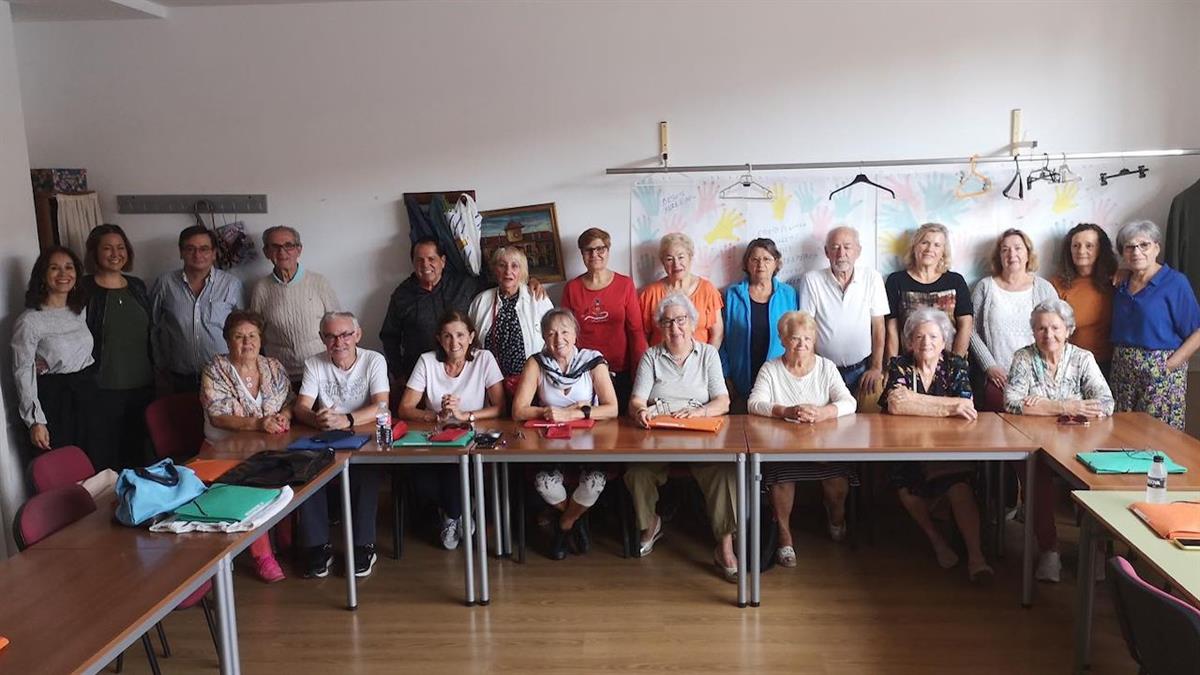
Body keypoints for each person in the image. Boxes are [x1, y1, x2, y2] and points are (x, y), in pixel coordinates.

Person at [624, 294, 738, 582]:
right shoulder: (651, 356)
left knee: (725, 473)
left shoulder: (708, 354)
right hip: (659, 436)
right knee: (637, 472)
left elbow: (722, 402)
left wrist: (700, 413)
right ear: (660, 326)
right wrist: (640, 413)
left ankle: (724, 546)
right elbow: (636, 400)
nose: (675, 327)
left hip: (700, 434)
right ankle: (651, 524)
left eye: (681, 320)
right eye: (667, 321)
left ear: (692, 322)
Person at [879, 307, 992, 582]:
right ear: (909, 342)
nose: (926, 342)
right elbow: (895, 404)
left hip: (949, 448)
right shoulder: (900, 365)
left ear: (944, 341)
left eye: (933, 336)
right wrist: (950, 406)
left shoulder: (956, 365)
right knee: (906, 489)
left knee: (960, 488)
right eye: (919, 337)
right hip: (906, 448)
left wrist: (917, 402)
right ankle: (937, 540)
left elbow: (968, 406)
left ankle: (976, 558)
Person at [1004, 299, 1114, 582]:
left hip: (1081, 442)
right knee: (1034, 477)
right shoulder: (1023, 358)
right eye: (1041, 328)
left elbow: (1105, 402)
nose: (1048, 334)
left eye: (1055, 327)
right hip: (1035, 441)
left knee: (1094, 480)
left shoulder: (1083, 359)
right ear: (1033, 332)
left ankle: (1097, 552)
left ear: (1068, 329)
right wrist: (1069, 406)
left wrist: (1041, 404)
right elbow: (1013, 404)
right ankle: (1049, 550)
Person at [746, 311, 857, 567]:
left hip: (823, 446)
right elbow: (754, 403)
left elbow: (849, 402)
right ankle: (785, 537)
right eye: (795, 338)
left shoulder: (826, 367)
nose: (802, 344)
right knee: (781, 478)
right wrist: (785, 411)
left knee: (837, 482)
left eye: (808, 338)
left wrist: (823, 413)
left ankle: (836, 518)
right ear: (783, 339)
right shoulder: (771, 369)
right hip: (784, 448)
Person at [512, 308, 620, 559]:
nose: (558, 339)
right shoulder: (536, 363)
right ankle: (576, 519)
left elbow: (612, 409)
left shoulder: (593, 361)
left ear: (575, 334)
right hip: (548, 444)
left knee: (594, 482)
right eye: (551, 334)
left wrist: (574, 413)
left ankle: (564, 525)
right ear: (543, 337)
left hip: (589, 442)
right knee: (544, 482)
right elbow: (518, 411)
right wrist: (547, 413)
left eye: (564, 332)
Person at [397, 310, 505, 550]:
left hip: (473, 436)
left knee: (457, 464)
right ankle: (460, 511)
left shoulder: (484, 359)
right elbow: (405, 408)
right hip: (434, 436)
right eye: (447, 336)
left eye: (460, 335)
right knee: (424, 480)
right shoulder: (427, 361)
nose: (454, 342)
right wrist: (436, 415)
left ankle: (452, 516)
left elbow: (500, 407)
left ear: (471, 336)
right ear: (438, 338)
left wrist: (464, 416)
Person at [292, 312, 389, 579]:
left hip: (364, 433)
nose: (339, 342)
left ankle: (363, 546)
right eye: (332, 336)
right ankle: (316, 546)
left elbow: (382, 406)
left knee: (365, 472)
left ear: (357, 335)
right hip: (326, 436)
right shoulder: (314, 363)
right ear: (323, 339)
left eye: (345, 334)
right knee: (307, 470)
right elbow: (301, 408)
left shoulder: (374, 360)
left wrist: (345, 419)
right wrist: (317, 418)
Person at [199, 310, 292, 583]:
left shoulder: (273, 366)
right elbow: (217, 415)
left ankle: (287, 540)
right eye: (239, 337)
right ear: (227, 340)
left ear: (261, 339)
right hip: (222, 450)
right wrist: (260, 423)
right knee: (251, 486)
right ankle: (262, 556)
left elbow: (290, 401)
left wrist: (284, 417)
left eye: (252, 336)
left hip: (270, 446)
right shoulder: (215, 369)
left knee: (293, 471)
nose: (247, 342)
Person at [1110, 220, 1200, 430]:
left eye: (1144, 245)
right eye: (1129, 247)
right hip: (1122, 369)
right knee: (1121, 434)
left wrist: (1169, 365)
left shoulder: (1175, 282)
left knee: (1158, 437)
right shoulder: (1121, 282)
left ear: (1156, 248)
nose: (1137, 252)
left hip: (1160, 370)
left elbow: (1197, 331)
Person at [12, 247, 100, 460]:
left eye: (69, 267)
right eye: (54, 268)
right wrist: (35, 421)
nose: (63, 274)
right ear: (42, 275)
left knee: (93, 461)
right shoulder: (29, 321)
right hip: (54, 401)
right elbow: (22, 372)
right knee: (64, 465)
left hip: (87, 393)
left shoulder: (79, 310)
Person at [80, 224, 154, 470]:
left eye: (120, 247)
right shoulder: (83, 290)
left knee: (138, 455)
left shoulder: (137, 286)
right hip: (102, 388)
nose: (115, 254)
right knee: (106, 458)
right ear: (94, 253)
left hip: (142, 387)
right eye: (107, 248)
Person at [969, 229, 1057, 409]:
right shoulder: (985, 287)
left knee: (1036, 433)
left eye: (1018, 248)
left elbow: (1058, 330)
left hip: (1037, 378)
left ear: (1028, 254)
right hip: (998, 379)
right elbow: (970, 330)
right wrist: (989, 366)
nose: (1012, 254)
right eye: (1005, 250)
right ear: (999, 256)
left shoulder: (1044, 288)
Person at [560, 227, 648, 408]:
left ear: (608, 250)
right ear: (582, 254)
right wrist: (567, 372)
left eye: (600, 249)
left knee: (622, 426)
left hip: (620, 370)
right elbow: (564, 333)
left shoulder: (625, 284)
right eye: (588, 250)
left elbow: (636, 331)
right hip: (584, 372)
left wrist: (639, 373)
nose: (595, 254)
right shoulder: (572, 288)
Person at [150, 224, 244, 393]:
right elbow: (152, 327)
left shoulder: (232, 285)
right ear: (181, 252)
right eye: (190, 249)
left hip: (223, 377)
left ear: (214, 253)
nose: (197, 254)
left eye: (204, 249)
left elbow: (245, 330)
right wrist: (159, 366)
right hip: (178, 378)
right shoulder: (165, 284)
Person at [796, 226, 888, 395]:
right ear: (826, 252)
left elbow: (879, 327)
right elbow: (807, 328)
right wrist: (813, 369)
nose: (841, 254)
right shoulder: (811, 280)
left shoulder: (872, 278)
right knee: (825, 420)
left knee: (865, 420)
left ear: (858, 251)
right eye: (835, 247)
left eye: (847, 247)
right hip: (824, 371)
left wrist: (876, 367)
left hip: (863, 371)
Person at [249, 226, 340, 384]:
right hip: (279, 375)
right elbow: (255, 332)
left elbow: (338, 326)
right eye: (275, 247)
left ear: (299, 250)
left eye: (289, 245)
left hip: (321, 370)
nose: (282, 252)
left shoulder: (319, 282)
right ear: (266, 252)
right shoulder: (261, 288)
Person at [720, 238, 798, 406]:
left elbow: (797, 336)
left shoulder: (789, 294)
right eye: (754, 259)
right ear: (747, 264)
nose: (760, 264)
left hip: (779, 381)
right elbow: (722, 340)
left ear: (776, 263)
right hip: (739, 381)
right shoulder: (732, 295)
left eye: (767, 259)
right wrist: (725, 376)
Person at [884, 222, 973, 361]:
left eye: (937, 245)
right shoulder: (896, 281)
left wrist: (956, 364)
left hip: (948, 363)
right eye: (924, 242)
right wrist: (893, 366)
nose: (930, 249)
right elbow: (892, 328)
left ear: (943, 251)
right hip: (908, 365)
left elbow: (966, 324)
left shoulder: (956, 281)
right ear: (915, 246)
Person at [467, 246, 554, 379]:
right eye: (502, 265)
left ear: (522, 271)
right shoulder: (480, 301)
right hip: (491, 381)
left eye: (515, 266)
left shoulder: (538, 298)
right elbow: (470, 341)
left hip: (532, 380)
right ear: (495, 270)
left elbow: (553, 338)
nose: (508, 271)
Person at [1050, 223, 1119, 375]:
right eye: (1076, 246)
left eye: (1089, 245)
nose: (1081, 251)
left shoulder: (1115, 280)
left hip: (1110, 365)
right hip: (1071, 365)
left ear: (1100, 249)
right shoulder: (1056, 284)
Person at [638, 233, 724, 348]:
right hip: (660, 362)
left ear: (690, 257)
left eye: (681, 257)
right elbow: (641, 335)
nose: (676, 264)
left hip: (699, 362)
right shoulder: (650, 294)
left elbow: (717, 334)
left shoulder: (707, 290)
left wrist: (706, 362)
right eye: (669, 259)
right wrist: (651, 363)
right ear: (663, 262)